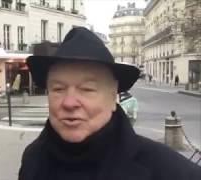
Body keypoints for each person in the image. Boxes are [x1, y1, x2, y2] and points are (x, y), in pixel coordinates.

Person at [19, 27, 201, 180]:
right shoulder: (33, 159)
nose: (69, 102)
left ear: (113, 97)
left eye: (87, 89)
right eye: (58, 89)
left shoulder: (171, 171)